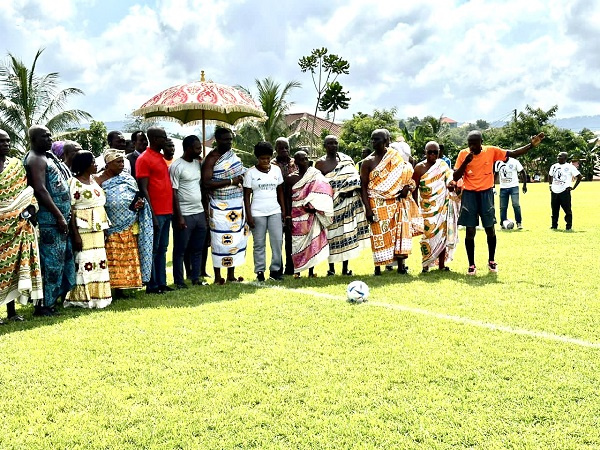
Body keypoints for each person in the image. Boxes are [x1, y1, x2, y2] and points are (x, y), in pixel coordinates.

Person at [453, 130, 544, 275]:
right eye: (470, 144)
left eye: (475, 145)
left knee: (490, 228)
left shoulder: (492, 151)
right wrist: (466, 162)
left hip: (486, 193)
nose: (472, 148)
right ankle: (471, 264)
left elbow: (513, 153)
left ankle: (491, 261)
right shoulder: (463, 154)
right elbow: (456, 175)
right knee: (470, 231)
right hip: (469, 194)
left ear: (481, 143)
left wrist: (531, 145)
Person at [24, 125, 76, 316]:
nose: (50, 139)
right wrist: (59, 215)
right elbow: (40, 189)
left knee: (61, 261)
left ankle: (53, 300)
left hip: (58, 219)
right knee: (51, 264)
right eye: (45, 136)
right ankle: (44, 305)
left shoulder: (46, 157)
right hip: (50, 221)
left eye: (50, 135)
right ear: (34, 139)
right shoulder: (35, 159)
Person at [361, 129, 422, 275]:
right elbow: (363, 187)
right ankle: (378, 268)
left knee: (397, 233)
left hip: (395, 202)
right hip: (375, 202)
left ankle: (401, 267)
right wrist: (368, 210)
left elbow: (406, 174)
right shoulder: (367, 162)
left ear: (387, 141)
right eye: (372, 139)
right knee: (378, 235)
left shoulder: (395, 157)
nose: (374, 143)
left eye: (378, 140)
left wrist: (406, 187)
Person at [0, 130, 43, 323]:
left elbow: (26, 191)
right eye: (1, 142)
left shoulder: (16, 165)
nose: (6, 145)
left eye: (8, 141)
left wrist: (30, 207)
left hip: (18, 224)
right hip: (2, 224)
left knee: (16, 267)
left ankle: (12, 312)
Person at [96, 148, 153, 293]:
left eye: (123, 161)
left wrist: (138, 204)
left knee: (126, 257)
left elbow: (135, 197)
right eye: (118, 162)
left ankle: (126, 287)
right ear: (108, 163)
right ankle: (112, 288)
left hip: (127, 224)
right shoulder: (97, 180)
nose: (122, 164)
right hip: (108, 225)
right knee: (112, 257)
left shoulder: (127, 178)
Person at [315, 135, 369, 276]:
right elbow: (319, 186)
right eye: (330, 143)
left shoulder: (346, 160)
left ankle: (345, 268)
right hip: (330, 205)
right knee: (331, 236)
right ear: (324, 146)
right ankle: (331, 268)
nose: (333, 146)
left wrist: (347, 190)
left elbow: (355, 178)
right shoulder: (320, 164)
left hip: (347, 204)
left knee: (346, 234)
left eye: (335, 143)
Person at [64, 151, 112, 308]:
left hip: (98, 229)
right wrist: (75, 235)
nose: (96, 164)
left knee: (99, 260)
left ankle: (99, 296)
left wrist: (104, 229)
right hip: (82, 230)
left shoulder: (94, 181)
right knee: (84, 261)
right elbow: (70, 210)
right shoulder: (73, 183)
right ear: (85, 164)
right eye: (93, 162)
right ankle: (82, 298)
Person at [201, 127, 248, 284]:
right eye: (225, 139)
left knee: (234, 239)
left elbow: (239, 173)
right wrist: (231, 181)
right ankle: (218, 276)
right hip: (219, 206)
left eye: (230, 139)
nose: (229, 142)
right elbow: (207, 182)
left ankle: (231, 275)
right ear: (217, 139)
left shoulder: (232, 156)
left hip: (236, 204)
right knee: (218, 240)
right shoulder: (211, 158)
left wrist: (239, 178)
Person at [136, 126, 174, 294]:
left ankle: (162, 282)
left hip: (167, 210)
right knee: (153, 249)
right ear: (155, 139)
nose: (166, 140)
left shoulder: (160, 157)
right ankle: (152, 284)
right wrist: (152, 214)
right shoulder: (144, 159)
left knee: (163, 248)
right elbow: (143, 189)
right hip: (156, 211)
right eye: (163, 137)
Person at [286, 151, 334, 277]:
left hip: (311, 214)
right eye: (301, 159)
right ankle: (298, 271)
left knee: (312, 241)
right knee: (297, 243)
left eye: (306, 158)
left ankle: (311, 271)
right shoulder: (291, 178)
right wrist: (288, 216)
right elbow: (288, 198)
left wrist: (315, 205)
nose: (304, 161)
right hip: (296, 214)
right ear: (295, 162)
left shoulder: (315, 175)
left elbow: (325, 190)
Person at [243, 141, 285, 282]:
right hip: (257, 213)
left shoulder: (276, 170)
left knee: (277, 241)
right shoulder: (250, 173)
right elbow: (246, 195)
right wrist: (249, 216)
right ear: (257, 158)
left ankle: (275, 270)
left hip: (275, 211)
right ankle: (260, 271)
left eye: (267, 158)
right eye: (262, 158)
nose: (265, 161)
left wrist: (283, 211)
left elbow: (280, 192)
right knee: (259, 243)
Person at [170, 135, 208, 288]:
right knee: (180, 249)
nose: (200, 151)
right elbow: (173, 193)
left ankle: (196, 277)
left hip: (199, 212)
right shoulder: (176, 166)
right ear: (188, 149)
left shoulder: (197, 164)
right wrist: (179, 217)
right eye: (197, 148)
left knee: (198, 248)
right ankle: (179, 281)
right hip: (184, 214)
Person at [413, 141, 456, 272]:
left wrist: (451, 184)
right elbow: (414, 188)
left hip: (442, 206)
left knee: (442, 236)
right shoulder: (419, 168)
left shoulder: (442, 165)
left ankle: (442, 265)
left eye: (435, 152)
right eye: (429, 152)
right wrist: (415, 205)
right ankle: (425, 265)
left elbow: (450, 178)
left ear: (439, 153)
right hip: (426, 208)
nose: (432, 155)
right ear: (425, 152)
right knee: (427, 236)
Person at [271, 137, 296, 276]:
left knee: (291, 238)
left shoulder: (295, 163)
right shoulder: (271, 164)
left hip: (293, 204)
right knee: (277, 238)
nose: (285, 151)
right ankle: (277, 267)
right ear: (276, 149)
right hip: (276, 204)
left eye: (287, 147)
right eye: (281, 148)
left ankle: (291, 267)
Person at [549, 151, 582, 231]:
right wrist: (550, 185)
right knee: (554, 210)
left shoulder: (570, 167)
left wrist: (573, 187)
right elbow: (550, 175)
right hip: (554, 191)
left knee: (567, 210)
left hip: (565, 191)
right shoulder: (554, 166)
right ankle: (554, 225)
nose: (558, 158)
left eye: (560, 156)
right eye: (558, 156)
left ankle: (568, 226)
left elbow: (579, 176)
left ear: (565, 158)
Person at [494, 156, 527, 229]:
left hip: (514, 187)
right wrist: (493, 186)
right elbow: (495, 174)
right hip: (503, 188)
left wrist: (524, 185)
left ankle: (519, 223)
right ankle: (503, 223)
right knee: (503, 207)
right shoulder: (498, 163)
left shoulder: (514, 161)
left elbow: (523, 172)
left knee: (516, 205)